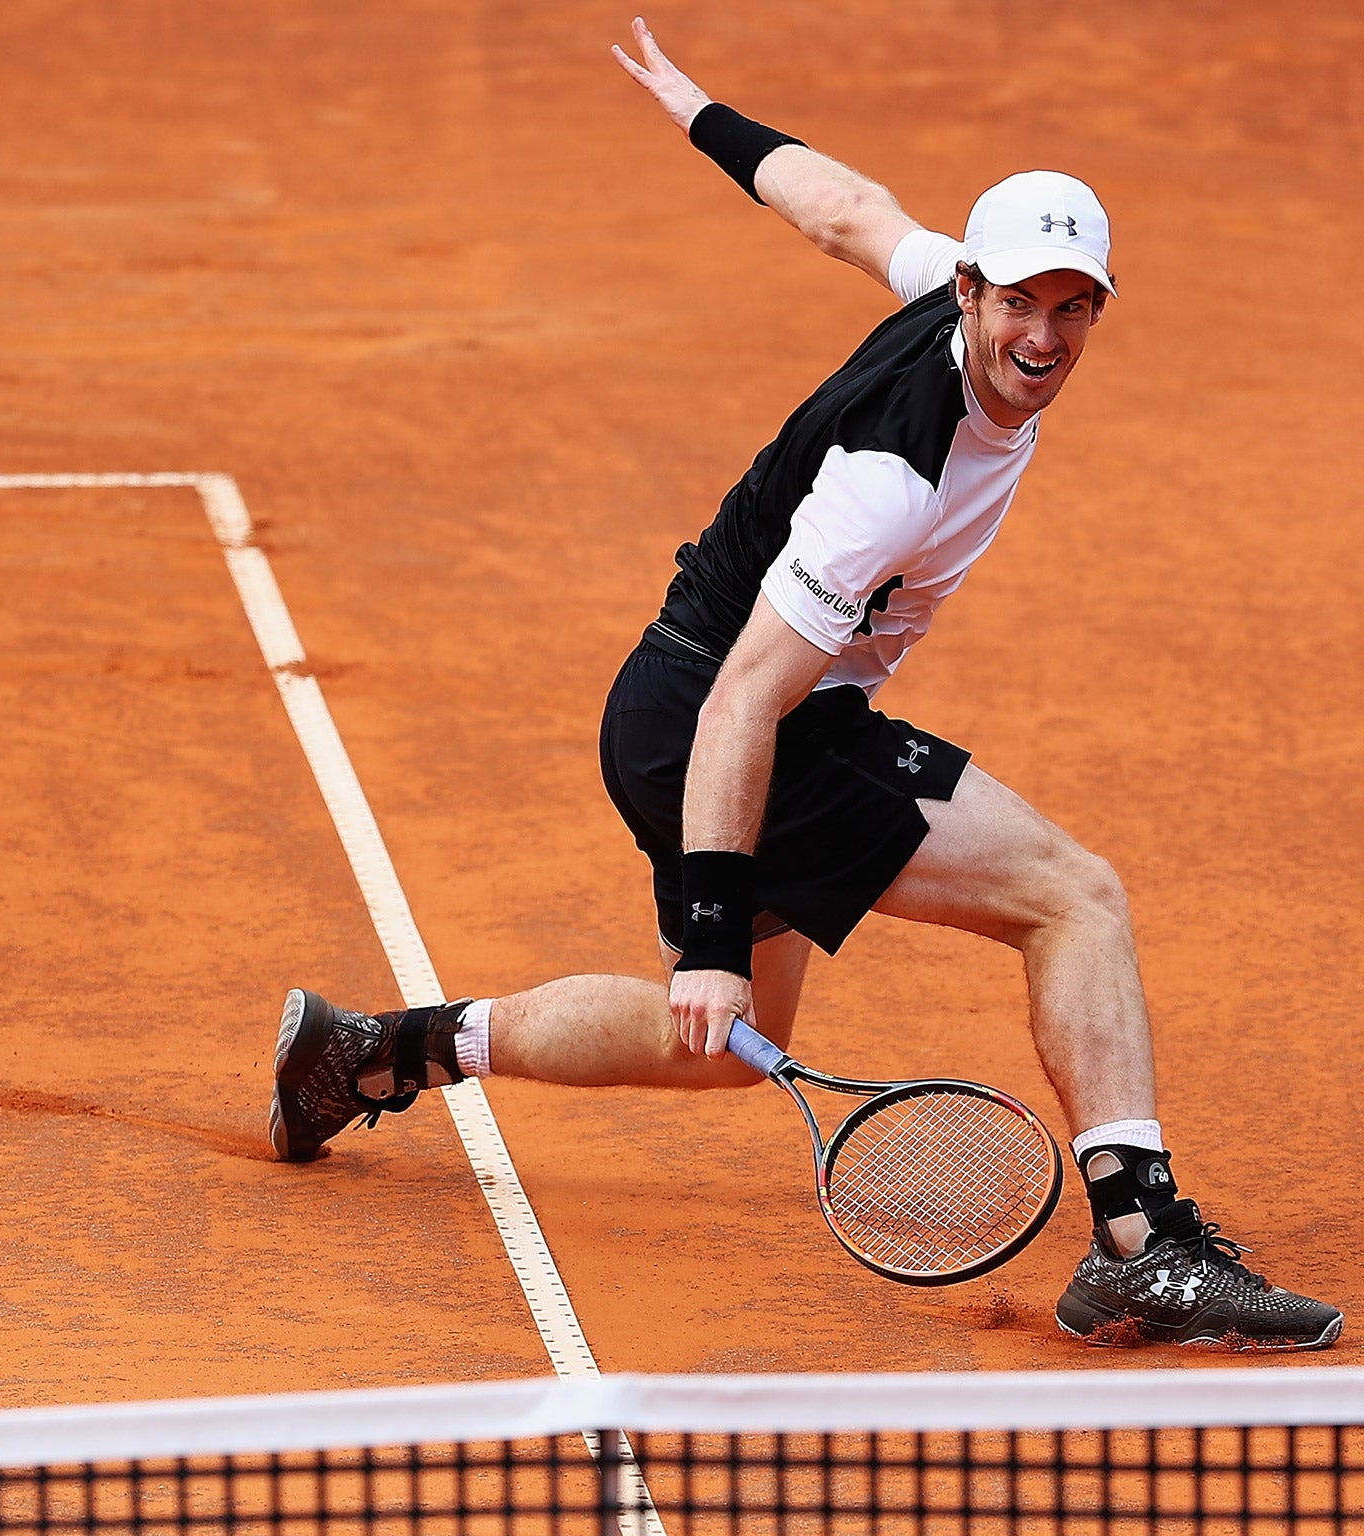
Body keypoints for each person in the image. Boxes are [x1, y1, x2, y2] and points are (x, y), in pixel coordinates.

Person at [267, 17, 1342, 1351]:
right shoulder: (893, 478)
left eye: (1074, 306)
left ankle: (374, 1051)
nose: (1046, 335)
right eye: (1020, 302)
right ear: (971, 293)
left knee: (715, 1045)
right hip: (732, 721)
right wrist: (716, 931)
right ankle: (1141, 1238)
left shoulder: (927, 293)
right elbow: (745, 702)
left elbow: (842, 209)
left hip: (684, 707)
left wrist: (706, 116)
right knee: (1076, 898)